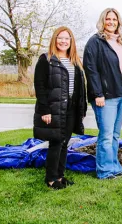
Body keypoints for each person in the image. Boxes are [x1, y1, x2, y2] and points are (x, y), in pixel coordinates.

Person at [33, 26, 87, 189]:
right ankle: (51, 178)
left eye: (67, 38)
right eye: (60, 38)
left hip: (70, 109)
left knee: (65, 142)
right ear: (55, 40)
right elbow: (40, 86)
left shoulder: (75, 61)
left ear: (71, 42)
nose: (63, 41)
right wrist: (45, 110)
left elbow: (79, 88)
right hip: (54, 108)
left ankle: (60, 175)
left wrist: (80, 109)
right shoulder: (46, 59)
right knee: (56, 142)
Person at [83, 8, 122, 179]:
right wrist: (98, 94)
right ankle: (104, 171)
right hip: (106, 93)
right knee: (106, 134)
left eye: (114, 19)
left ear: (119, 22)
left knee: (115, 134)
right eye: (108, 19)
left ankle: (114, 167)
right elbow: (91, 69)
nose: (111, 22)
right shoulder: (95, 41)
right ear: (102, 21)